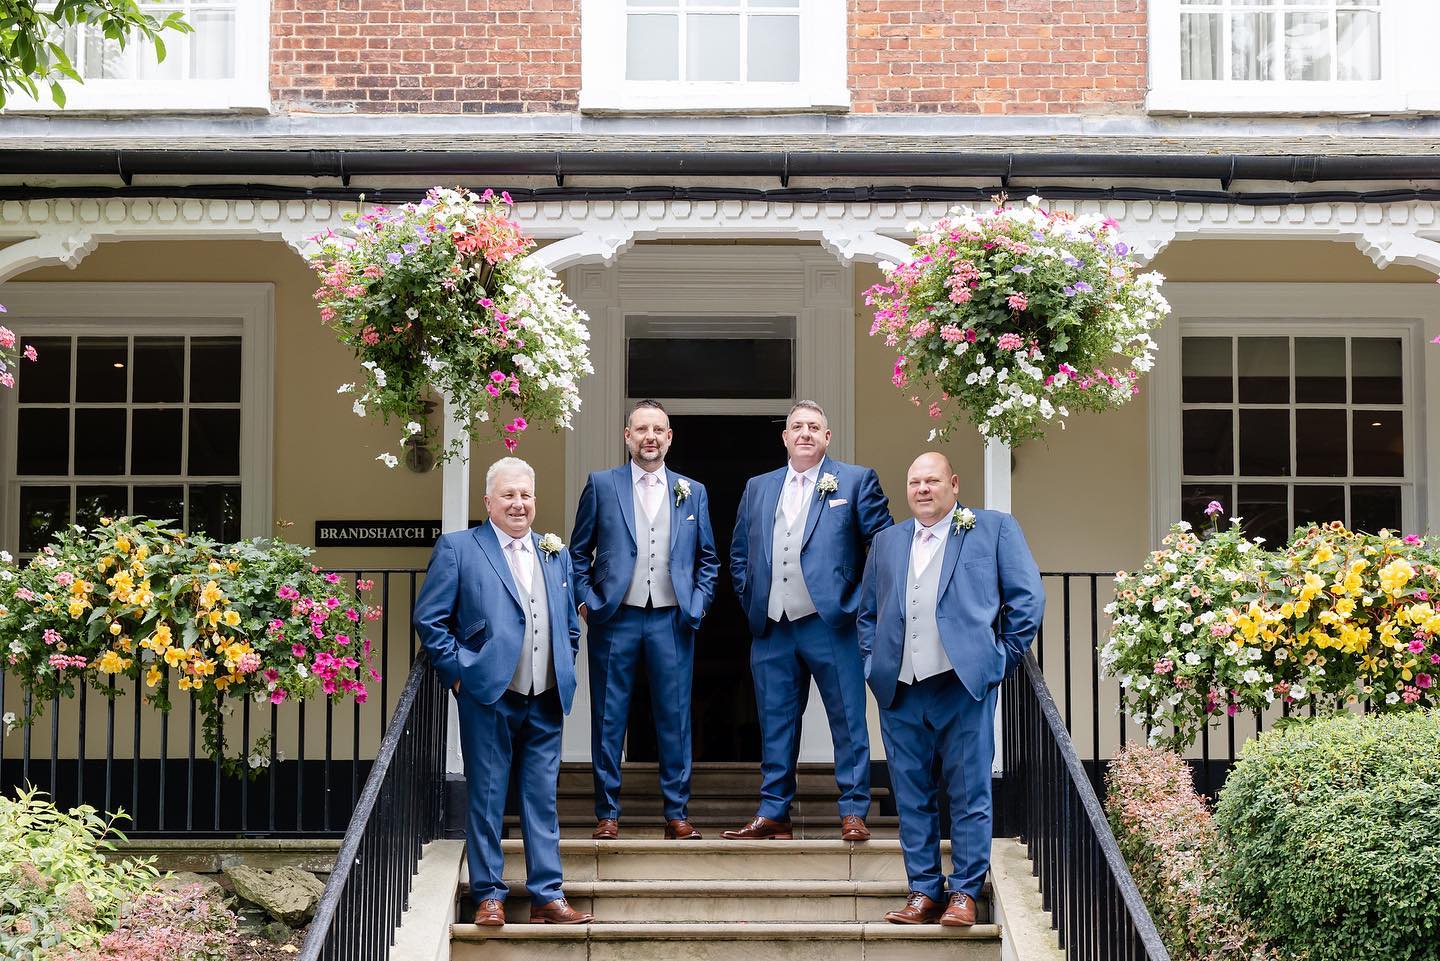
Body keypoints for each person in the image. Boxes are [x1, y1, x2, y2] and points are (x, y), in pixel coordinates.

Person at [858, 452, 1043, 926]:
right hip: (900, 688)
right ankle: (923, 891)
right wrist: (872, 663)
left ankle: (964, 892)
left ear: (954, 484)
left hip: (962, 684)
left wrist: (998, 659)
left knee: (968, 791)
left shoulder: (993, 529)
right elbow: (868, 613)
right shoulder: (886, 542)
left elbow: (1027, 600)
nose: (923, 489)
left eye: (932, 480)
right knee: (911, 793)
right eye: (915, 481)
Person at [412, 457, 594, 927]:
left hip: (546, 694)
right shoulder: (459, 548)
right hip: (489, 693)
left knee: (542, 799)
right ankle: (488, 894)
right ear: (488, 501)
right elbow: (430, 620)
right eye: (509, 495)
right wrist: (458, 675)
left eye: (526, 495)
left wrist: (564, 660)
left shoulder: (556, 553)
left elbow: (570, 625)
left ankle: (546, 895)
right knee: (487, 797)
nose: (519, 504)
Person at [723, 400, 892, 841]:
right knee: (775, 720)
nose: (804, 433)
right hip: (772, 625)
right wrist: (750, 598)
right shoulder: (758, 487)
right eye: (797, 426)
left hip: (831, 622)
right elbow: (740, 552)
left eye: (814, 427)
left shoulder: (855, 481)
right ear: (784, 437)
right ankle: (774, 809)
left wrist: (857, 602)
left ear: (827, 437)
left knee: (848, 719)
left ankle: (853, 809)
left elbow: (885, 547)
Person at [570, 399, 719, 840]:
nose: (649, 437)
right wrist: (586, 601)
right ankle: (607, 813)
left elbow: (708, 558)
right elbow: (579, 553)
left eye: (658, 430)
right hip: (615, 618)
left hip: (672, 619)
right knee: (609, 717)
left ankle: (676, 813)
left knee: (674, 717)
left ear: (669, 437)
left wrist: (699, 602)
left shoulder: (692, 490)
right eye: (641, 430)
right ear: (627, 436)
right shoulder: (602, 484)